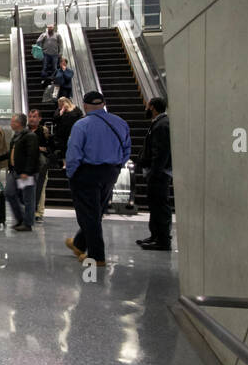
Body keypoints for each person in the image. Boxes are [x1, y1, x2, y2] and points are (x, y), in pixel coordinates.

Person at [64, 90, 132, 268]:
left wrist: (72, 173)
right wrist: (116, 167)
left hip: (87, 173)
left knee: (89, 214)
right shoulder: (120, 122)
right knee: (97, 210)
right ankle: (79, 243)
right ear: (103, 104)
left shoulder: (81, 125)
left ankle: (96, 256)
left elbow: (74, 153)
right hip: (110, 173)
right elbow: (127, 150)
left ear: (85, 106)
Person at [137, 96, 172, 251]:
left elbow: (161, 152)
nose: (146, 109)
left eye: (147, 106)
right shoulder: (159, 123)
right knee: (154, 204)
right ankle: (155, 236)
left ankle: (163, 240)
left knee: (160, 205)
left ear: (152, 107)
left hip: (159, 173)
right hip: (157, 172)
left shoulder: (162, 125)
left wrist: (155, 172)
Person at [5, 113, 39, 231]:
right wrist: (0, 157)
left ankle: (28, 223)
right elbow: (12, 153)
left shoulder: (30, 136)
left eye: (12, 121)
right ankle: (20, 218)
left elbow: (32, 155)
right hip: (14, 171)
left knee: (28, 198)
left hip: (25, 173)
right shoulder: (16, 136)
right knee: (9, 193)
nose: (11, 123)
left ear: (18, 123)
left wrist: (27, 172)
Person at [27, 107, 52, 223]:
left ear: (40, 118)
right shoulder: (24, 130)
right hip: (26, 165)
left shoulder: (44, 131)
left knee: (40, 189)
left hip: (40, 165)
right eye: (30, 117)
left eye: (34, 117)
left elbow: (51, 147)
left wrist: (41, 149)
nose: (31, 119)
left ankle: (38, 212)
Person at [52, 97, 83, 163]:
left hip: (74, 131)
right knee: (64, 148)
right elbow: (55, 118)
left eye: (62, 103)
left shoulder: (75, 108)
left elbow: (81, 116)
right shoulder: (59, 110)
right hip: (63, 133)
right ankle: (65, 163)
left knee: (75, 147)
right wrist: (62, 110)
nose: (60, 105)